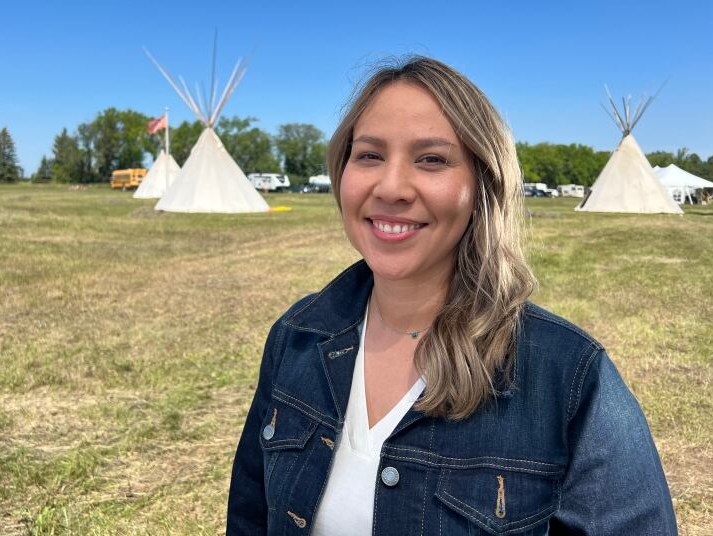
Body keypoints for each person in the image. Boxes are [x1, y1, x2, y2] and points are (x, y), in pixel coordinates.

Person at [227, 56, 677, 535]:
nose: (392, 186)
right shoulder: (296, 338)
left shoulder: (566, 377)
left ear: (481, 185)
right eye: (370, 155)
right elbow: (250, 517)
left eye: (432, 159)